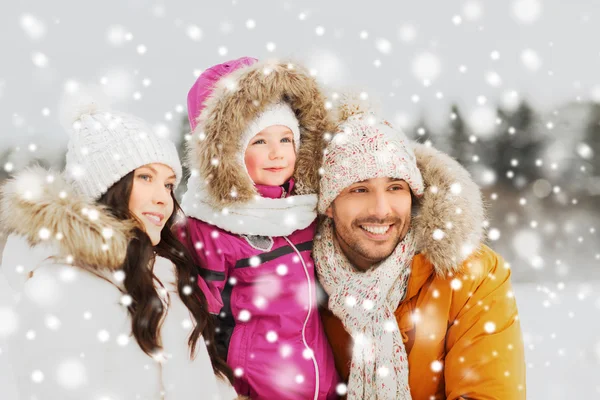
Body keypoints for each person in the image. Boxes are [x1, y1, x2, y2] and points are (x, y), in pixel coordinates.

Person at [0, 93, 238, 399]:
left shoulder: (162, 271)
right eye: (145, 177)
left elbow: (195, 377)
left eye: (168, 184)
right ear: (107, 187)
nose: (163, 197)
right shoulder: (65, 282)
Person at [314, 100, 527, 399]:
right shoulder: (297, 280)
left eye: (395, 187)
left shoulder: (471, 275)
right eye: (359, 189)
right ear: (330, 205)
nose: (381, 210)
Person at [178, 57, 339, 399]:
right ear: (230, 153)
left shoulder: (305, 213)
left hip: (320, 385)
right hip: (255, 389)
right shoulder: (211, 226)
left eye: (285, 140)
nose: (277, 154)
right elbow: (198, 326)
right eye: (260, 142)